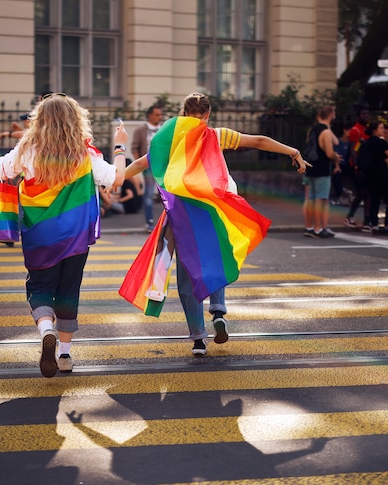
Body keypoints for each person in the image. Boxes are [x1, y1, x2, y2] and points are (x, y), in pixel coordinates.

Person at [123, 92, 310, 356]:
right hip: (211, 213)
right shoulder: (216, 135)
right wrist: (293, 151)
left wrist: (115, 179)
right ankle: (219, 311)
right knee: (215, 261)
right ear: (207, 115)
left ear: (183, 114)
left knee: (187, 277)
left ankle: (199, 339)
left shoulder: (169, 142)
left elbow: (142, 163)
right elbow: (257, 141)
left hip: (180, 217)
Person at [0, 93, 128, 378]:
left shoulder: (27, 149)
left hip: (40, 236)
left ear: (40, 120)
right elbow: (116, 178)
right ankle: (65, 355)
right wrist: (120, 145)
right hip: (75, 236)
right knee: (69, 290)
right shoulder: (86, 152)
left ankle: (46, 329)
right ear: (75, 121)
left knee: (40, 286)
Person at [302, 105, 340, 238]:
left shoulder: (312, 130)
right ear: (331, 115)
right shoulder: (326, 132)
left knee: (310, 199)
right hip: (322, 169)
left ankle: (309, 227)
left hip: (310, 167)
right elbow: (329, 152)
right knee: (321, 199)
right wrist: (337, 158)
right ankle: (319, 228)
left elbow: (334, 141)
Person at [361, 121, 388, 235]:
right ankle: (387, 225)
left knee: (374, 201)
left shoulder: (366, 143)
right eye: (381, 128)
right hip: (383, 174)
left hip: (371, 175)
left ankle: (375, 226)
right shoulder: (382, 143)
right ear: (375, 130)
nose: (383, 130)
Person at [131, 105, 165, 231]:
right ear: (149, 115)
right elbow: (135, 147)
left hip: (164, 166)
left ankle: (168, 223)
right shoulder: (141, 130)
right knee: (149, 194)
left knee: (168, 195)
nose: (159, 117)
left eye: (160, 114)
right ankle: (150, 222)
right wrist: (139, 165)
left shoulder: (163, 129)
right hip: (149, 165)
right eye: (157, 114)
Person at [344, 108, 372, 230]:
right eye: (363, 114)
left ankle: (366, 220)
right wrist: (356, 166)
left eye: (367, 114)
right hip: (357, 167)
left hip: (366, 166)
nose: (366, 116)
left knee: (366, 194)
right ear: (358, 116)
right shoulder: (356, 130)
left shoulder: (366, 130)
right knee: (363, 192)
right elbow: (353, 150)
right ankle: (352, 217)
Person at [330, 120, 354, 206]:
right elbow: (334, 154)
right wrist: (337, 166)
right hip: (339, 164)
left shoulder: (351, 143)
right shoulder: (338, 142)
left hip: (348, 165)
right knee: (336, 174)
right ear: (345, 130)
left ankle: (356, 195)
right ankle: (339, 195)